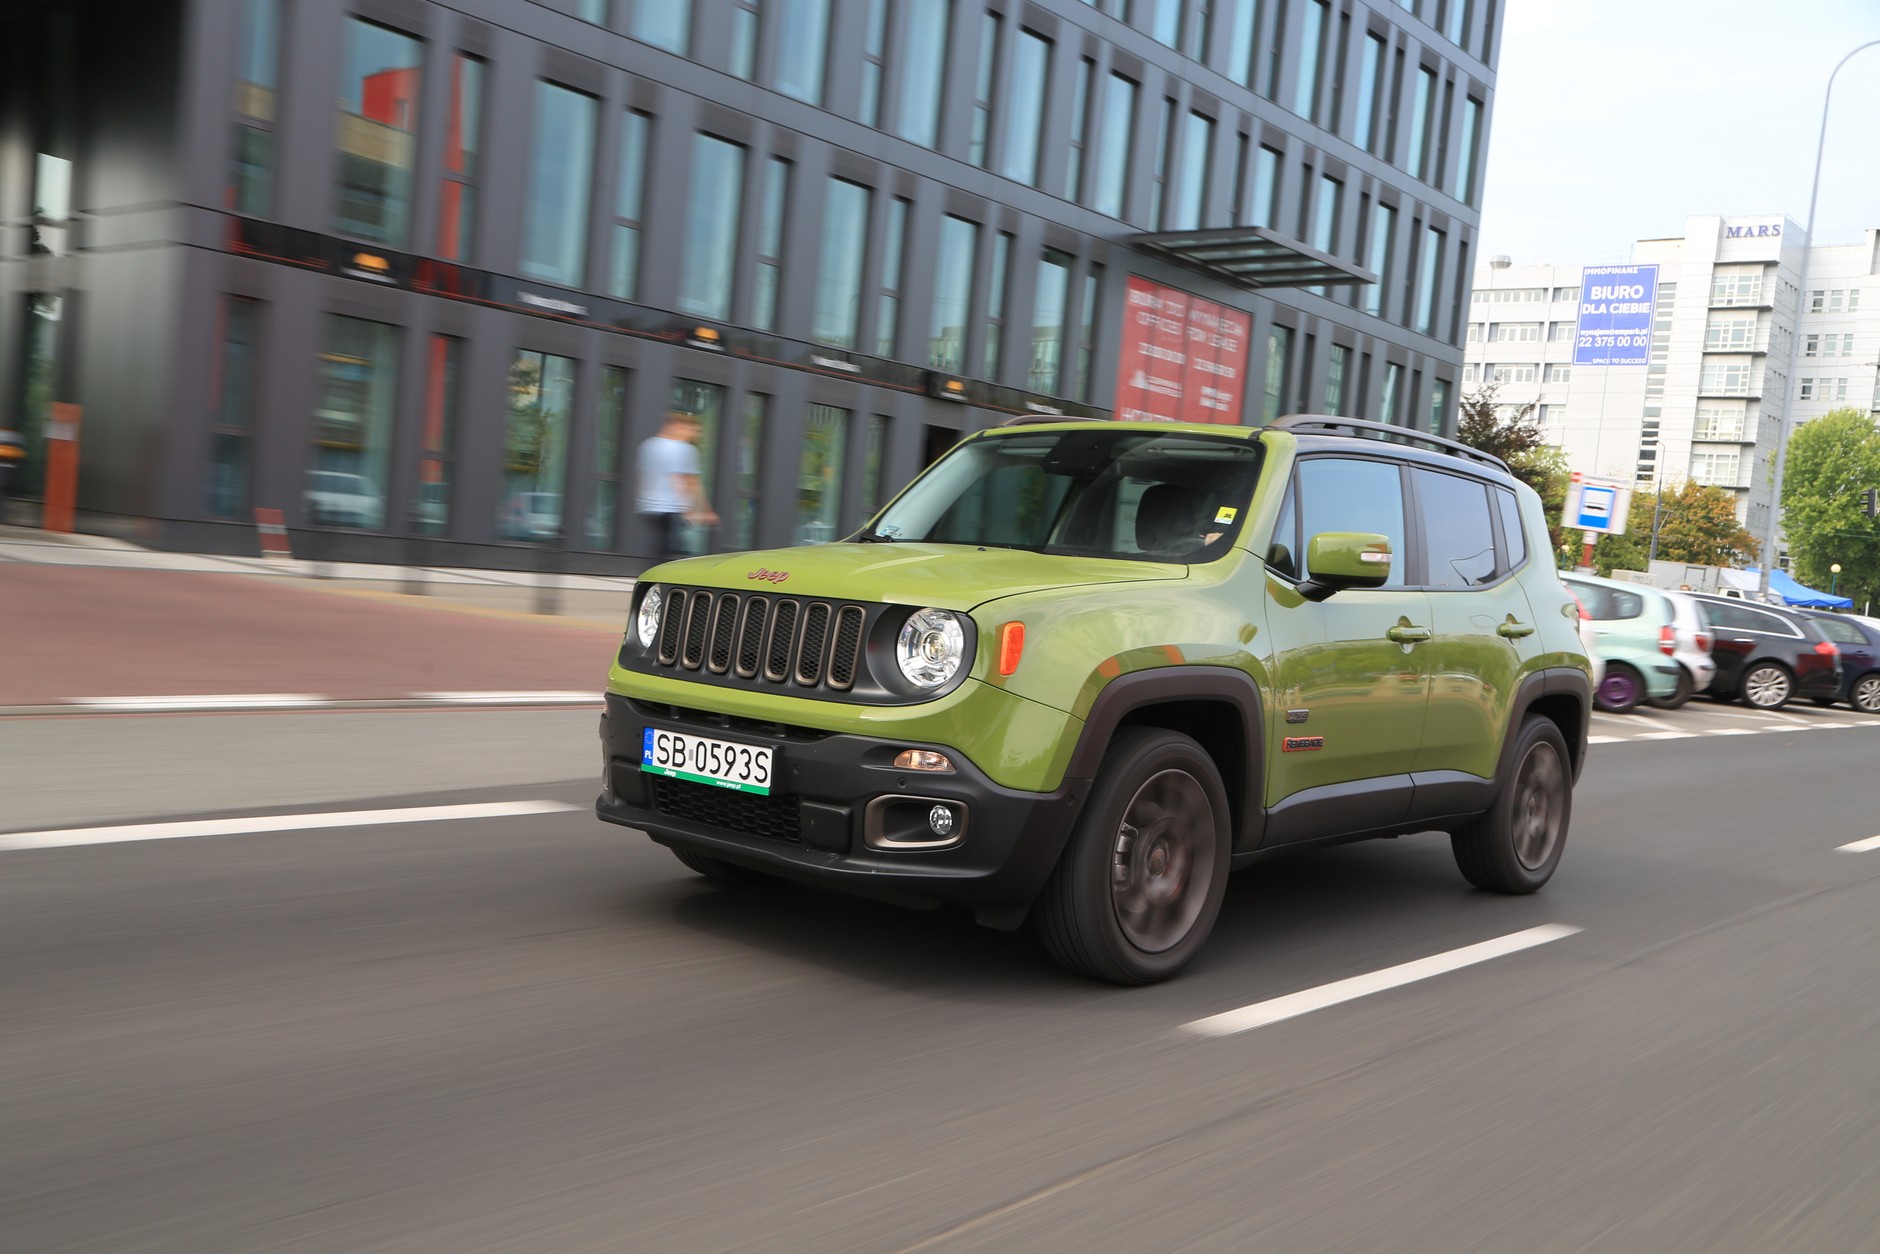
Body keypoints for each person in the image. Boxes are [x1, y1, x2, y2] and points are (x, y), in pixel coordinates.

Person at [636, 410, 718, 562]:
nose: (696, 434)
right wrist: (699, 510)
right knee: (669, 553)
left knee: (659, 550)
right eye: (694, 430)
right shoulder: (684, 448)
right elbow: (687, 481)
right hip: (670, 509)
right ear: (678, 426)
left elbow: (642, 479)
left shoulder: (649, 445)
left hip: (648, 508)